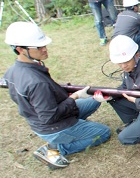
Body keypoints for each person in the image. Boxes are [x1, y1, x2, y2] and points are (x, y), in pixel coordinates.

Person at [3, 22, 111, 169]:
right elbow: (50, 117)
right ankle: (55, 149)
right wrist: (74, 97)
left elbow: (38, 98)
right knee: (103, 133)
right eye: (39, 47)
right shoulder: (36, 82)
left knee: (94, 101)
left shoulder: (13, 71)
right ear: (20, 49)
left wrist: (60, 91)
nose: (44, 49)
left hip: (45, 118)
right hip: (54, 125)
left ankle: (72, 127)